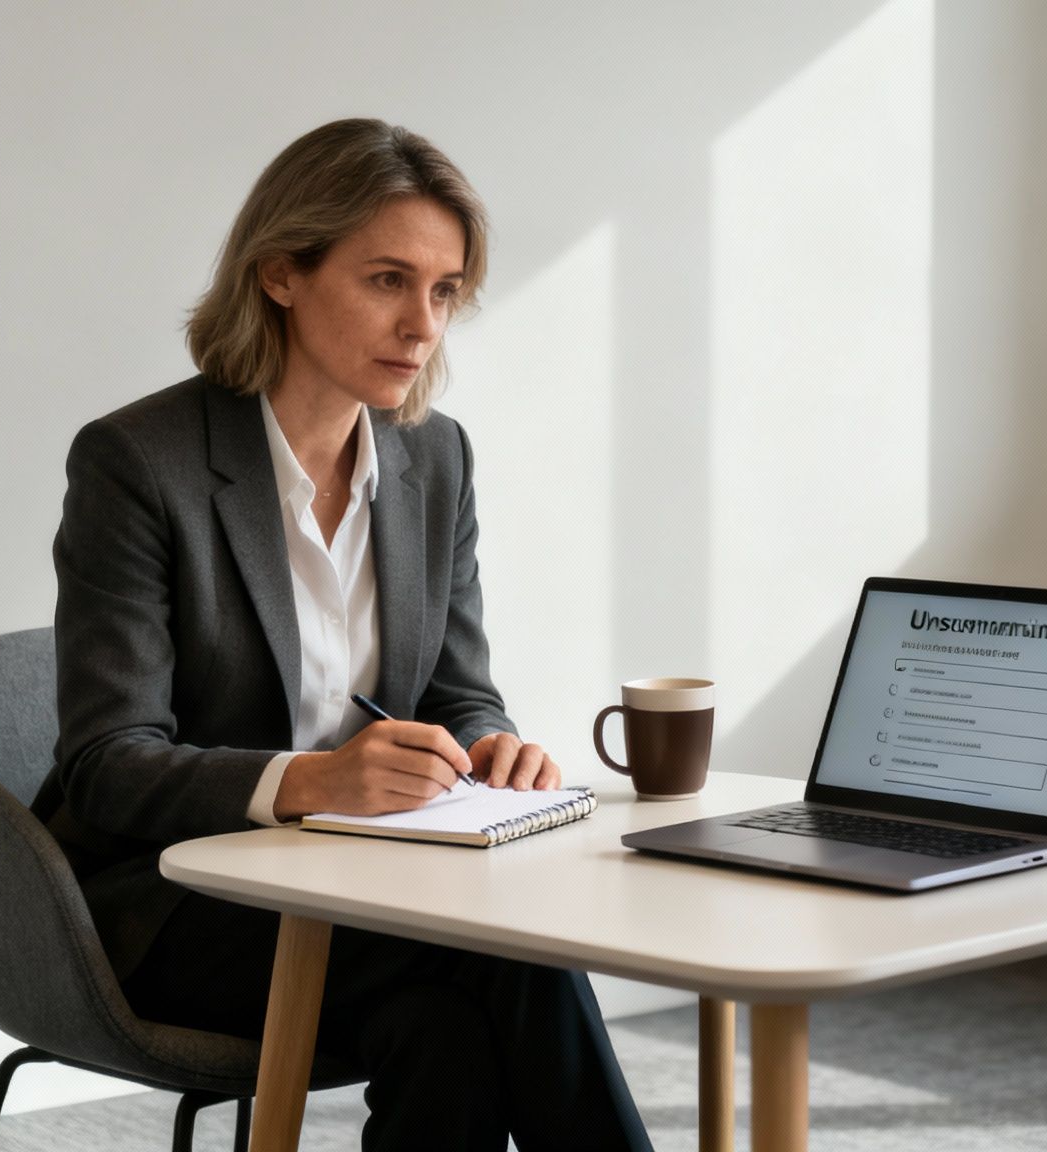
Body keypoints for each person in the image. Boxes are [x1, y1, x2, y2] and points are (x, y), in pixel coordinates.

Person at [33, 118, 653, 1152]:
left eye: (444, 290)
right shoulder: (139, 464)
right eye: (386, 280)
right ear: (281, 271)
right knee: (503, 952)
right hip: (181, 896)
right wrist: (313, 782)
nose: (422, 325)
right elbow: (106, 765)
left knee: (444, 1033)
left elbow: (459, 691)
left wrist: (493, 743)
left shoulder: (433, 460)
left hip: (372, 889)